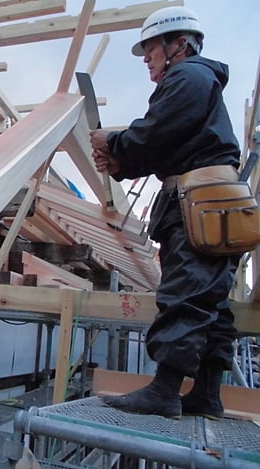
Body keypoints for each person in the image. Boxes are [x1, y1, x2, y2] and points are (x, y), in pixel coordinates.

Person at [89, 6, 242, 419]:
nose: (146, 59)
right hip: (212, 201)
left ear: (179, 44)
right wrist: (123, 164)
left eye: (151, 49)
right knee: (211, 302)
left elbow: (158, 130)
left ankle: (164, 391)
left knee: (186, 294)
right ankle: (207, 395)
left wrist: (115, 141)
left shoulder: (188, 75)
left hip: (200, 202)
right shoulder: (196, 81)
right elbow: (167, 145)